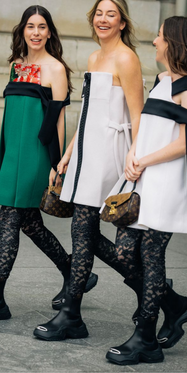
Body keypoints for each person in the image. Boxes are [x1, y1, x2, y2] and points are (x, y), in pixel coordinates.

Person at [103, 15, 187, 365]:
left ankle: (145, 339)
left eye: (160, 36)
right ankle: (176, 304)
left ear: (174, 42)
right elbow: (149, 127)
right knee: (124, 254)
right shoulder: (163, 80)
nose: (154, 41)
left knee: (152, 256)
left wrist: (146, 159)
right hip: (146, 177)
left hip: (169, 182)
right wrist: (134, 154)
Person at [33, 0, 145, 341]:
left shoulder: (127, 58)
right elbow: (87, 114)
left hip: (111, 154)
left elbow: (138, 114)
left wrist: (136, 159)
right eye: (99, 13)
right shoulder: (94, 58)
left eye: (111, 14)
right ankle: (158, 293)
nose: (103, 19)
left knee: (84, 232)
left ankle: (72, 314)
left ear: (122, 22)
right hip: (86, 151)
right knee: (83, 234)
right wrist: (67, 153)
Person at [0, 5, 97, 322]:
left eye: (42, 27)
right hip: (10, 154)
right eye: (31, 26)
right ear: (23, 31)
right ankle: (73, 272)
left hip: (35, 155)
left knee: (10, 218)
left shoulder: (55, 68)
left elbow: (58, 118)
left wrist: (57, 164)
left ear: (50, 32)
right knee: (29, 223)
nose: (36, 32)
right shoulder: (16, 65)